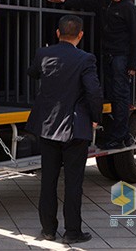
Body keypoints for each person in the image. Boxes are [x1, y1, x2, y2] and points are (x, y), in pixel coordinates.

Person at [26, 15, 103, 244]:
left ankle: (48, 230)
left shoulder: (43, 54)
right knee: (73, 182)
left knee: (48, 180)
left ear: (58, 34)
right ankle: (72, 232)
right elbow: (94, 92)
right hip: (75, 128)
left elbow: (32, 73)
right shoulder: (86, 59)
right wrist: (95, 118)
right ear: (80, 35)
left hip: (47, 127)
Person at [49, 0, 136, 149]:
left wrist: (133, 64)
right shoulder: (104, 1)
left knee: (120, 97)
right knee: (112, 95)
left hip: (121, 58)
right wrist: (65, 0)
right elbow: (86, 1)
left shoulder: (129, 8)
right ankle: (117, 134)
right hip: (108, 55)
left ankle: (120, 136)